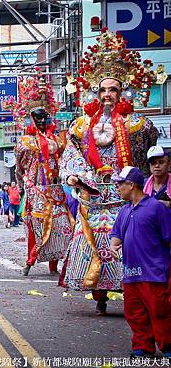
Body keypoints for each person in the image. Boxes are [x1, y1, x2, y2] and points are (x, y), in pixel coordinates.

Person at [60, 30, 159, 316]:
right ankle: (99, 294)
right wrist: (76, 176)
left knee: (129, 244)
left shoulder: (139, 126)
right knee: (92, 241)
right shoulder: (81, 126)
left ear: (123, 91)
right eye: (102, 90)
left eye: (113, 90)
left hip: (125, 199)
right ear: (95, 92)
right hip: (94, 195)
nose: (107, 95)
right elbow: (71, 153)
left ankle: (133, 292)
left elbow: (147, 160)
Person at [8, 72, 73, 276]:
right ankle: (31, 260)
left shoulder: (58, 139)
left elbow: (64, 159)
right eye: (37, 117)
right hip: (36, 189)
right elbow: (20, 168)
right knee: (36, 226)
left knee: (60, 225)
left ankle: (55, 262)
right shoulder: (26, 142)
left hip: (55, 188)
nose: (42, 120)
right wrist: (22, 184)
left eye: (44, 116)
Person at [109, 166, 171, 359]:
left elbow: (168, 237)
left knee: (160, 312)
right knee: (134, 313)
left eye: (120, 184)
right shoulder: (124, 210)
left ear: (131, 184)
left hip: (153, 271)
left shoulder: (156, 207)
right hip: (131, 273)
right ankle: (143, 346)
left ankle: (168, 346)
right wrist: (113, 246)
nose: (117, 187)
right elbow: (116, 234)